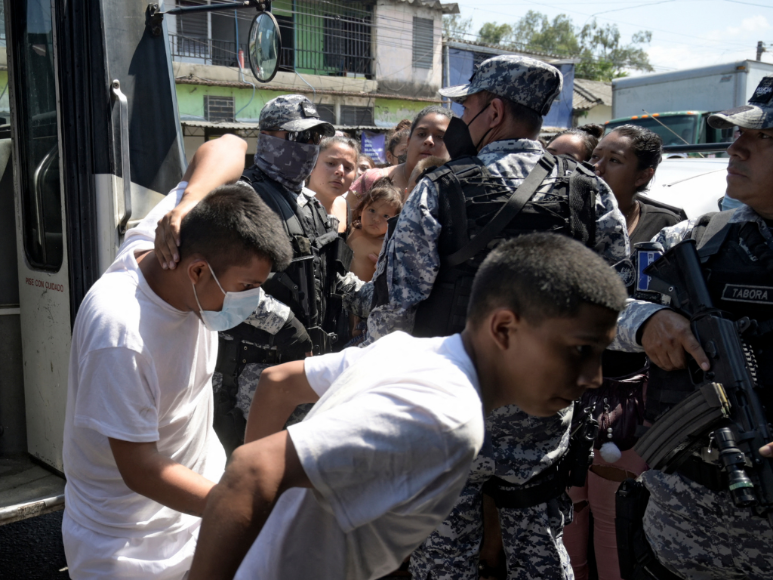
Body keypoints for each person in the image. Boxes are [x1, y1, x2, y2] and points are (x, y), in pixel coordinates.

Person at [186, 233, 628, 580]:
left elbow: (278, 382)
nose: (593, 379)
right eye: (577, 350)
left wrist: (272, 520)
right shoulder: (445, 418)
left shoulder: (410, 351)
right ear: (505, 329)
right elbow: (251, 472)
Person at [341, 55, 629, 580]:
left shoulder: (441, 187)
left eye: (468, 105)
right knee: (540, 549)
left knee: (444, 556)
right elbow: (616, 295)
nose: (461, 117)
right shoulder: (589, 190)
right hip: (542, 413)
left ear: (493, 111)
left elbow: (394, 308)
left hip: (451, 408)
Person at [61, 175, 293, 579]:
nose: (253, 301)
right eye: (247, 287)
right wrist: (238, 505)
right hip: (128, 544)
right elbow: (140, 468)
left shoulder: (168, 242)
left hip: (197, 505)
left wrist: (187, 202)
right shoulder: (121, 335)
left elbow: (230, 145)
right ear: (199, 271)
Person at [609, 75, 773, 580]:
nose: (737, 146)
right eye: (737, 133)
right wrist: (646, 320)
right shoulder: (700, 239)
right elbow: (591, 305)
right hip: (681, 534)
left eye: (762, 138)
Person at [153, 95, 359, 454]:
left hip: (303, 365)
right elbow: (225, 281)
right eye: (297, 139)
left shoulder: (311, 204)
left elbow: (329, 276)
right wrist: (285, 324)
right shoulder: (242, 197)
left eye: (313, 140)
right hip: (252, 371)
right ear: (267, 138)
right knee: (247, 469)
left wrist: (373, 294)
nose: (307, 149)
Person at [563, 124, 685, 580]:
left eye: (614, 160)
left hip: (638, 395)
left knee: (615, 510)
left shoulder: (668, 226)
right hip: (575, 389)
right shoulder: (570, 221)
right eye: (596, 157)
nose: (597, 168)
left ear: (644, 174)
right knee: (570, 511)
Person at [350, 107, 452, 201]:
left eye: (440, 137)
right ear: (408, 142)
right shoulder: (373, 179)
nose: (429, 141)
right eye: (421, 134)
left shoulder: (456, 190)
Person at [347, 178, 403, 282]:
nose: (376, 219)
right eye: (372, 210)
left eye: (386, 216)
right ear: (360, 210)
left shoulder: (385, 247)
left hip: (363, 294)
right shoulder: (349, 230)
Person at [307, 135, 359, 233]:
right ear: (311, 164)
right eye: (331, 163)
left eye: (348, 167)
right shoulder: (293, 206)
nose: (340, 171)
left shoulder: (345, 207)